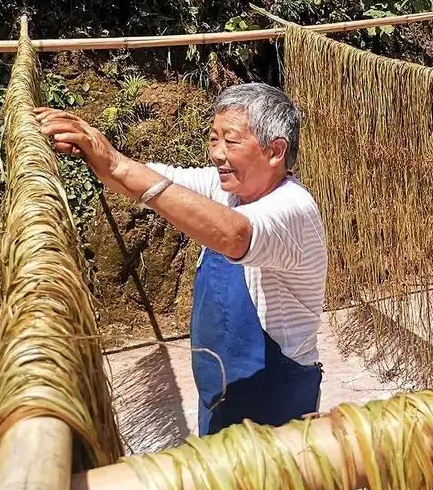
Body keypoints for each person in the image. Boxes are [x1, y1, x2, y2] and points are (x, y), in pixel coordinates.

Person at [35, 82, 327, 437]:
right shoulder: (226, 189)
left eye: (231, 141)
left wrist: (114, 162)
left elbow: (235, 235)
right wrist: (97, 153)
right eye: (213, 139)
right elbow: (153, 183)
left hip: (275, 398)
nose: (217, 154)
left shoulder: (293, 208)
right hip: (221, 392)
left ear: (275, 151)